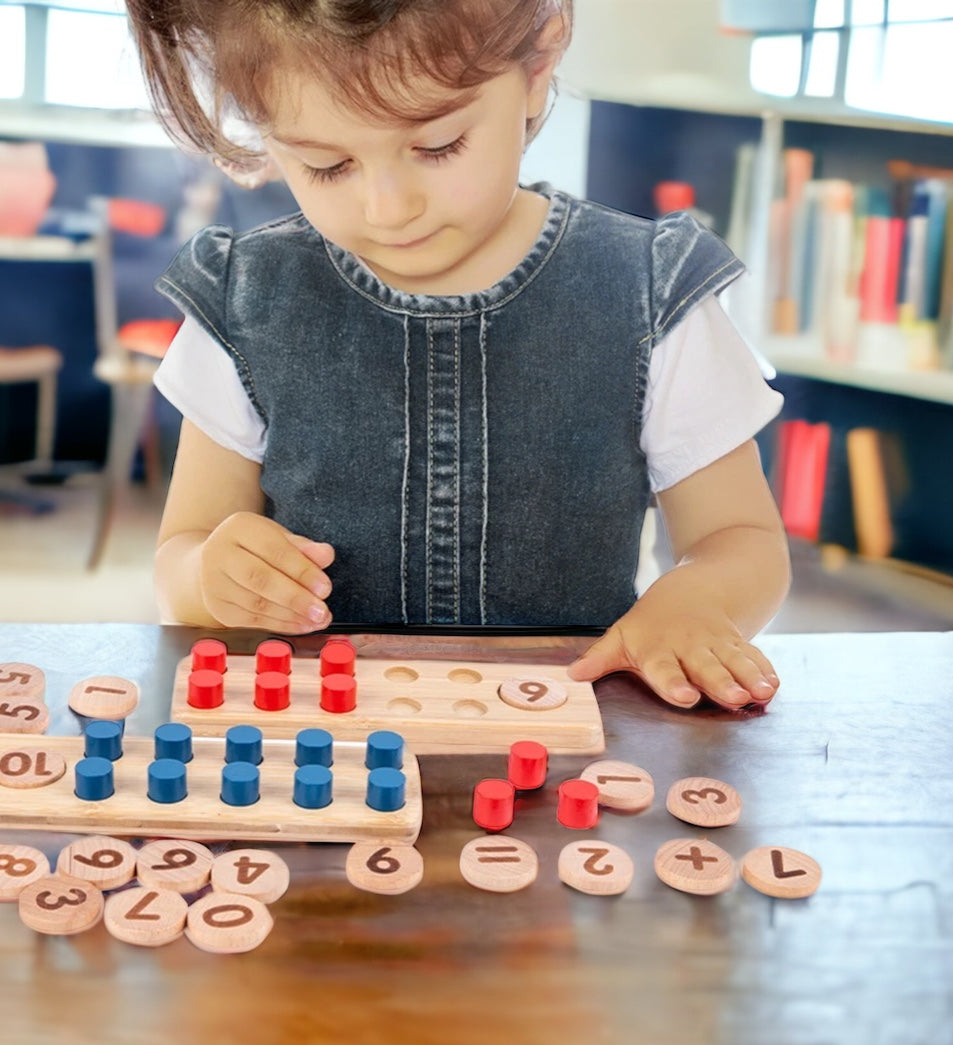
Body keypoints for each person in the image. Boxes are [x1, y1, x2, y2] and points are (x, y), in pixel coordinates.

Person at [130, 0, 791, 710]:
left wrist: (696, 597)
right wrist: (211, 576)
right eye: (327, 165)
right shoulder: (246, 297)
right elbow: (181, 559)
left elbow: (740, 539)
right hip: (319, 743)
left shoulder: (652, 293)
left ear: (537, 64)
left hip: (570, 740)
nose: (387, 208)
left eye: (437, 145)